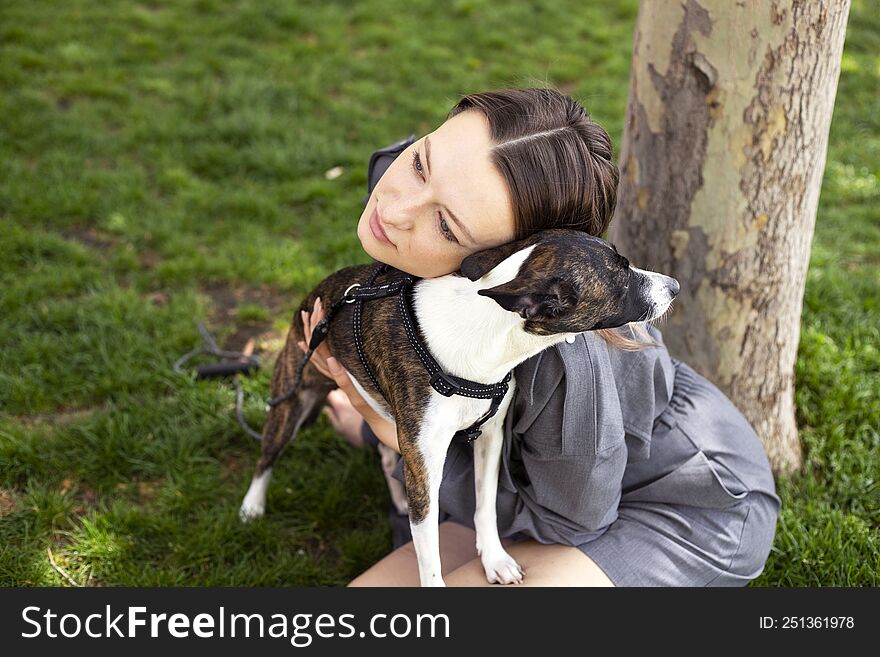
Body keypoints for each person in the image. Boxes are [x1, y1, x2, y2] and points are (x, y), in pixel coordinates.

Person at [297, 87, 781, 586]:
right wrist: (392, 409)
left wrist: (404, 443)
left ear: (513, 268)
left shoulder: (568, 362)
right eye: (421, 163)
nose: (395, 209)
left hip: (677, 503)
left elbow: (572, 521)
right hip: (534, 476)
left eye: (446, 226)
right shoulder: (423, 239)